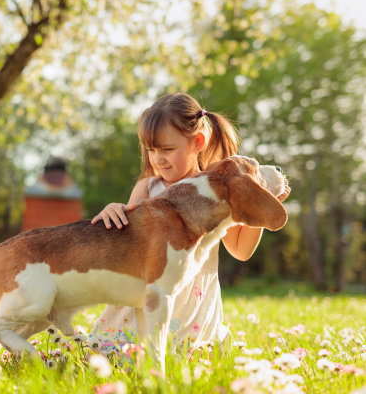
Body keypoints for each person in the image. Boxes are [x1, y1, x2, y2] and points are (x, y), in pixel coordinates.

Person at [89, 93, 290, 355]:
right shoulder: (148, 187)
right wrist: (113, 209)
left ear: (197, 142)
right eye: (151, 150)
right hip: (151, 294)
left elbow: (241, 251)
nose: (157, 159)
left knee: (185, 359)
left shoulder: (218, 192)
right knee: (125, 357)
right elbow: (127, 238)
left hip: (193, 304)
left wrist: (260, 208)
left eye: (167, 149)